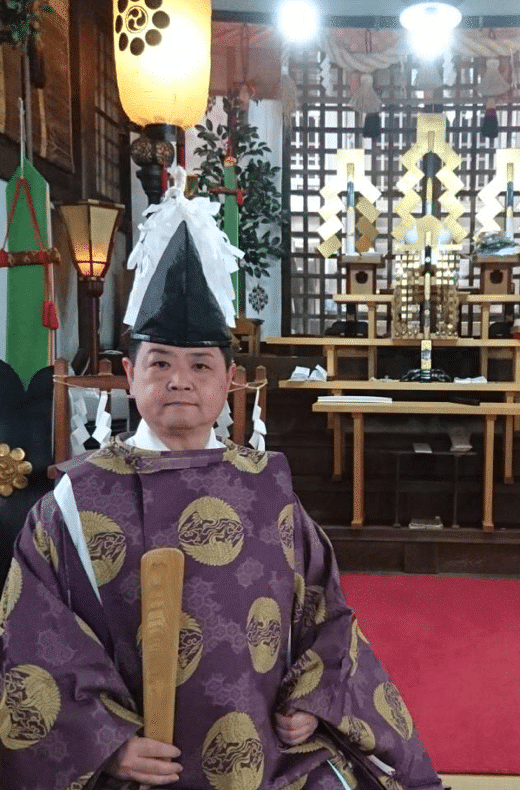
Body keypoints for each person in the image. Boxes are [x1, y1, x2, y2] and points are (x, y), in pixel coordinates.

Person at [0, 173, 444, 790]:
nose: (179, 380)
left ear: (228, 380)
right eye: (159, 363)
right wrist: (104, 741)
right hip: (134, 766)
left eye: (200, 365)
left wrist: (310, 702)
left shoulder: (267, 487)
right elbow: (34, 640)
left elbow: (325, 613)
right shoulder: (75, 501)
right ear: (129, 375)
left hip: (268, 754)